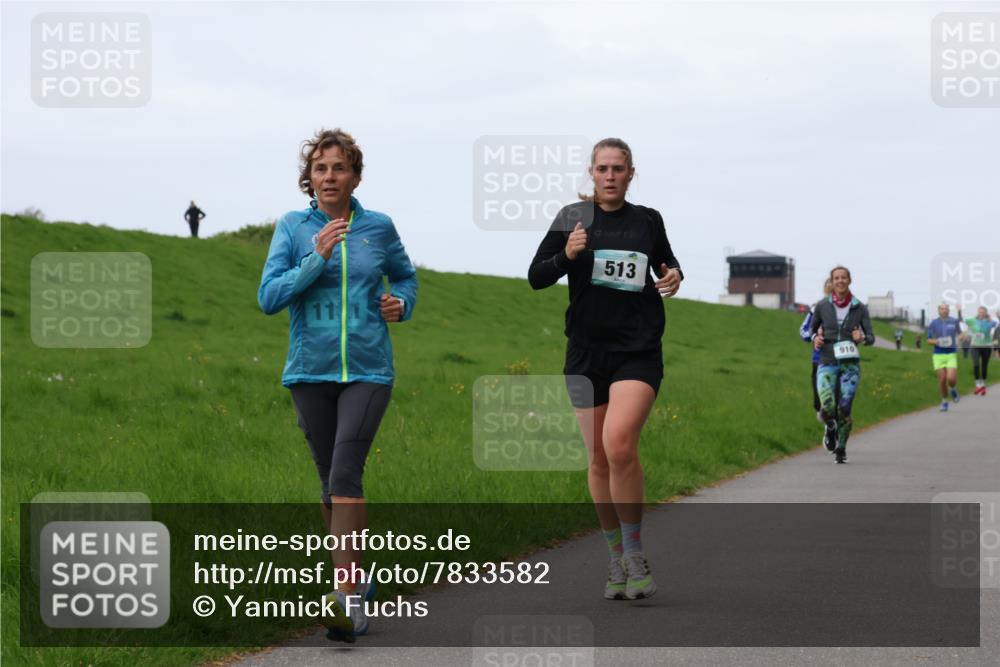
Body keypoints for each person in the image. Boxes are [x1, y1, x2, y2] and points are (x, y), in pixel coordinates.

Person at [257, 128, 417, 642]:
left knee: (346, 475)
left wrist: (401, 304)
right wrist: (316, 258)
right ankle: (358, 580)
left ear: (354, 176)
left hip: (369, 370)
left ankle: (344, 598)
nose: (330, 177)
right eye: (321, 169)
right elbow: (269, 297)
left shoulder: (379, 227)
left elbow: (406, 278)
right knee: (330, 485)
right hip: (310, 371)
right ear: (310, 178)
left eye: (339, 168)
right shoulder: (292, 228)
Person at [528, 138, 682, 601]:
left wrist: (674, 273)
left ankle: (636, 553)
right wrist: (567, 256)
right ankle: (615, 556)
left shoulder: (647, 220)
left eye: (618, 168)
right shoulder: (572, 219)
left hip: (636, 350)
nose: (610, 176)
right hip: (586, 353)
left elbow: (666, 262)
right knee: (597, 458)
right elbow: (537, 276)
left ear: (630, 173)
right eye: (602, 168)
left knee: (619, 445)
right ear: (591, 174)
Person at [809, 266, 875, 464]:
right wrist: (815, 339)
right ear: (832, 281)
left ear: (849, 280)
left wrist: (862, 337)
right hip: (827, 361)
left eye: (843, 277)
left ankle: (841, 448)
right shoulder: (821, 306)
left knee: (845, 407)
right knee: (827, 404)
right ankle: (830, 426)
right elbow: (811, 331)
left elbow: (871, 337)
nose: (840, 281)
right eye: (837, 278)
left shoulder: (860, 308)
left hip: (850, 365)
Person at [799, 279, 834, 431]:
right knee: (818, 402)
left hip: (840, 360)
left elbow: (858, 332)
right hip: (819, 359)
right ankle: (830, 425)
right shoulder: (816, 308)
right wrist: (814, 337)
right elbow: (803, 330)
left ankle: (835, 424)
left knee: (837, 398)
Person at [927, 303, 962, 412]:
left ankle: (953, 389)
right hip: (938, 354)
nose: (945, 310)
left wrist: (959, 339)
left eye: (946, 309)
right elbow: (928, 340)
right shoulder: (933, 323)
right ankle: (944, 402)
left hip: (951, 353)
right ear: (939, 311)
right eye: (942, 309)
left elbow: (960, 334)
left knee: (951, 379)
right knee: (942, 380)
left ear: (949, 311)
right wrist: (936, 341)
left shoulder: (954, 321)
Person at [966, 306, 997, 395]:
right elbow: (964, 321)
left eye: (983, 312)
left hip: (986, 346)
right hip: (975, 346)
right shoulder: (973, 321)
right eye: (979, 311)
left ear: (985, 313)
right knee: (976, 364)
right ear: (978, 312)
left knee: (984, 365)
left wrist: (990, 318)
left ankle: (983, 385)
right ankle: (977, 385)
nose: (981, 313)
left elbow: (995, 324)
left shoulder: (990, 322)